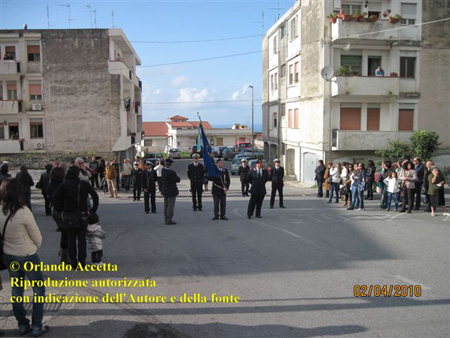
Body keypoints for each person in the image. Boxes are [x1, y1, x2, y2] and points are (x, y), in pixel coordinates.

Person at [0, 178, 50, 336]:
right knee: (38, 289)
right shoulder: (23, 211)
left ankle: (22, 324)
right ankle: (36, 326)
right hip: (27, 255)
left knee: (16, 289)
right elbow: (37, 237)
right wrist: (34, 247)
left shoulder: (0, 210)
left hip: (9, 254)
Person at [53, 166, 99, 269]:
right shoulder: (84, 184)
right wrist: (92, 210)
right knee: (82, 239)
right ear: (78, 174)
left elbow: (55, 198)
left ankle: (73, 261)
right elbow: (95, 196)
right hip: (82, 214)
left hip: (69, 214)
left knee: (71, 238)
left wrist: (61, 210)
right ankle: (82, 261)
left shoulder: (64, 185)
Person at [46, 167, 69, 263]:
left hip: (55, 211)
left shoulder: (50, 186)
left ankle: (63, 252)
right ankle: (65, 253)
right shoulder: (63, 185)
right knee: (67, 233)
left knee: (64, 232)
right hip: (64, 210)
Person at [161, 158, 180, 225]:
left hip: (165, 190)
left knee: (166, 205)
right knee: (170, 206)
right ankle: (169, 219)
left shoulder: (163, 170)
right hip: (171, 190)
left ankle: (166, 218)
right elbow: (177, 180)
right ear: (170, 165)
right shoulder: (171, 172)